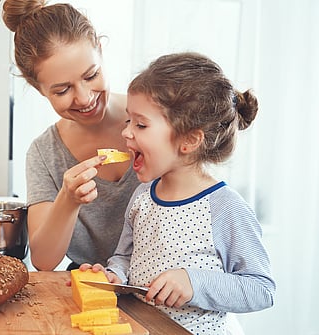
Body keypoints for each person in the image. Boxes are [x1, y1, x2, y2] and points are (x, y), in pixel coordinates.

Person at [81, 52, 276, 334]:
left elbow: (261, 288)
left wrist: (195, 283)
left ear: (189, 140)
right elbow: (125, 258)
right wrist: (114, 276)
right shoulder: (143, 197)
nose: (126, 133)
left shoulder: (225, 207)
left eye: (141, 124)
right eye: (128, 121)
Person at [2, 0, 141, 271]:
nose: (85, 98)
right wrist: (68, 199)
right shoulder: (45, 153)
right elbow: (43, 260)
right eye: (62, 90)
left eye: (91, 75)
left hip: (168, 290)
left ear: (100, 51)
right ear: (39, 88)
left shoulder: (156, 120)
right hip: (91, 288)